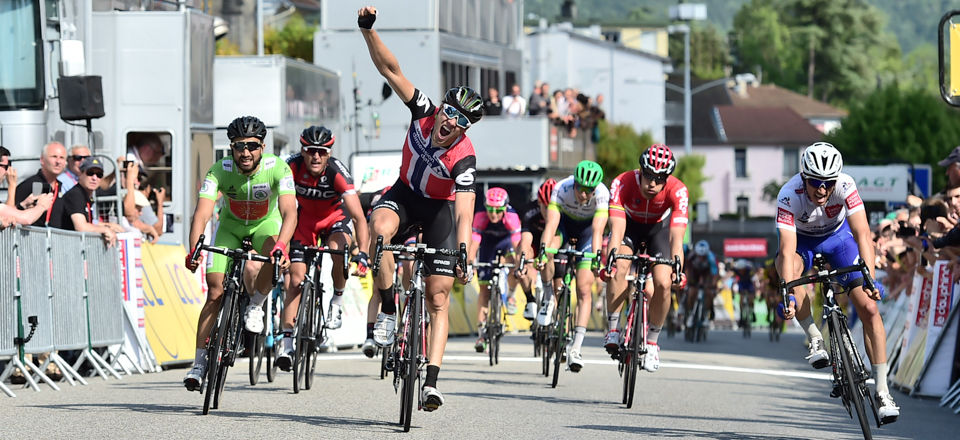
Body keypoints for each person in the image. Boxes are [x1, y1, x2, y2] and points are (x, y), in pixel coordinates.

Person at [359, 5, 478, 411]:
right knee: (380, 230)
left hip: (439, 211)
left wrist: (462, 250)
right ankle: (390, 311)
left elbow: (464, 210)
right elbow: (390, 70)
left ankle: (430, 382)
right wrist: (367, 31)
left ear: (464, 129)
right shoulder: (424, 111)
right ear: (442, 108)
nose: (449, 122)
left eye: (459, 121)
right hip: (406, 194)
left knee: (438, 297)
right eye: (450, 112)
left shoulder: (464, 157)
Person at [775, 141, 899, 422]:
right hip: (802, 241)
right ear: (804, 178)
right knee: (789, 268)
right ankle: (815, 337)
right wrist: (788, 295)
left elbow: (863, 234)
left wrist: (869, 277)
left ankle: (882, 390)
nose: (822, 190)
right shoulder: (788, 195)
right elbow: (786, 249)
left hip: (838, 239)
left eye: (828, 183)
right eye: (816, 182)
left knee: (868, 308)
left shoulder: (846, 184)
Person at [181, 115, 297, 392]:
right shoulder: (219, 170)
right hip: (230, 228)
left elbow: (290, 212)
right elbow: (202, 213)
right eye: (239, 146)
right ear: (231, 147)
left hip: (263, 227)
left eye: (252, 146)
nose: (245, 152)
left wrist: (281, 244)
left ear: (263, 147)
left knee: (277, 255)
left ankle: (255, 302)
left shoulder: (278, 168)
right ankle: (198, 364)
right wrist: (194, 248)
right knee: (214, 292)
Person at [276, 126, 371, 371]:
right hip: (304, 221)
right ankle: (286, 344)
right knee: (295, 281)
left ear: (329, 153)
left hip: (334, 220)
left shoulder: (337, 172)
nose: (316, 157)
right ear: (302, 151)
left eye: (322, 152)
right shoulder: (291, 167)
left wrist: (363, 253)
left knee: (338, 251)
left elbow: (359, 218)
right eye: (310, 151)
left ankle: (336, 302)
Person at [603, 144, 688, 372]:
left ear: (667, 178)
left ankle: (652, 342)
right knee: (619, 266)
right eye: (648, 177)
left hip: (658, 232)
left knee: (663, 282)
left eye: (659, 179)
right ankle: (613, 328)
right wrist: (612, 256)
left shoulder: (678, 190)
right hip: (629, 227)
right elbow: (617, 228)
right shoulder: (623, 182)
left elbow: (676, 238)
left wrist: (678, 268)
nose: (652, 184)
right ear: (641, 171)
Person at [537, 160, 608, 373]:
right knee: (549, 249)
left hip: (587, 234)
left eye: (589, 191)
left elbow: (597, 232)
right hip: (564, 228)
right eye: (580, 189)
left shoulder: (603, 194)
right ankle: (549, 296)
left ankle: (575, 348)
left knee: (584, 289)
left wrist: (596, 259)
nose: (584, 195)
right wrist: (543, 251)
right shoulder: (561, 189)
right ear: (574, 183)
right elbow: (551, 226)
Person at [469, 187, 522, 352]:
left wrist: (519, 265)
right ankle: (481, 334)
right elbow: (474, 242)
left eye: (498, 210)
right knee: (484, 291)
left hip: (506, 242)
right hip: (487, 244)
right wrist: (469, 262)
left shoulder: (512, 217)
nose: (493, 214)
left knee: (515, 263)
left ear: (505, 207)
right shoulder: (480, 215)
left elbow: (517, 243)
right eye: (490, 209)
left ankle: (511, 295)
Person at [59, 157, 125, 246]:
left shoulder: (87, 195)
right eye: (90, 173)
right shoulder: (75, 195)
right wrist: (105, 230)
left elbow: (88, 221)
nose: (94, 178)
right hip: (66, 248)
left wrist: (107, 225)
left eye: (99, 175)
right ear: (80, 174)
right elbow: (81, 226)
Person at [517, 179, 557, 320]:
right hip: (534, 240)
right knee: (521, 255)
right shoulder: (530, 210)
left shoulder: (561, 210)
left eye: (551, 207)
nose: (549, 211)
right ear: (539, 202)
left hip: (552, 241)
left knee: (550, 251)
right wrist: (522, 260)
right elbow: (526, 239)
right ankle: (530, 299)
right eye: (545, 207)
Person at [15, 142, 68, 228]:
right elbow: (13, 214)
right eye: (54, 156)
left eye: (62, 158)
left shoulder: (61, 187)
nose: (58, 161)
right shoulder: (29, 185)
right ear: (42, 160)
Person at [683, 240, 718, 329]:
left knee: (709, 293)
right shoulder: (691, 256)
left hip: (706, 274)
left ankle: (706, 315)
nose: (701, 258)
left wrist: (713, 285)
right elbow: (687, 270)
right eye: (700, 256)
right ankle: (691, 313)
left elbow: (714, 273)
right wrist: (688, 281)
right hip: (695, 273)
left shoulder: (711, 257)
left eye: (703, 256)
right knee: (691, 292)